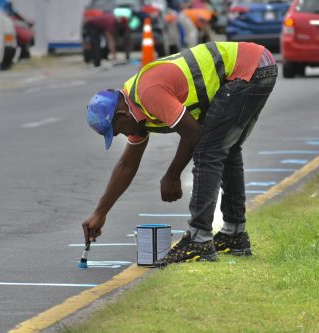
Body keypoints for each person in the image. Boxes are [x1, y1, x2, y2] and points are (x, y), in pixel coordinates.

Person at [83, 41, 277, 267]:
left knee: (208, 151)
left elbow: (193, 133)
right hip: (255, 66)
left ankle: (199, 239)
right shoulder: (135, 112)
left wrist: (172, 175)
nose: (119, 135)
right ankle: (234, 236)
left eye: (116, 131)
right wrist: (100, 213)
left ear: (121, 115)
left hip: (247, 69)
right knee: (226, 148)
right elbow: (127, 164)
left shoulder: (148, 93)